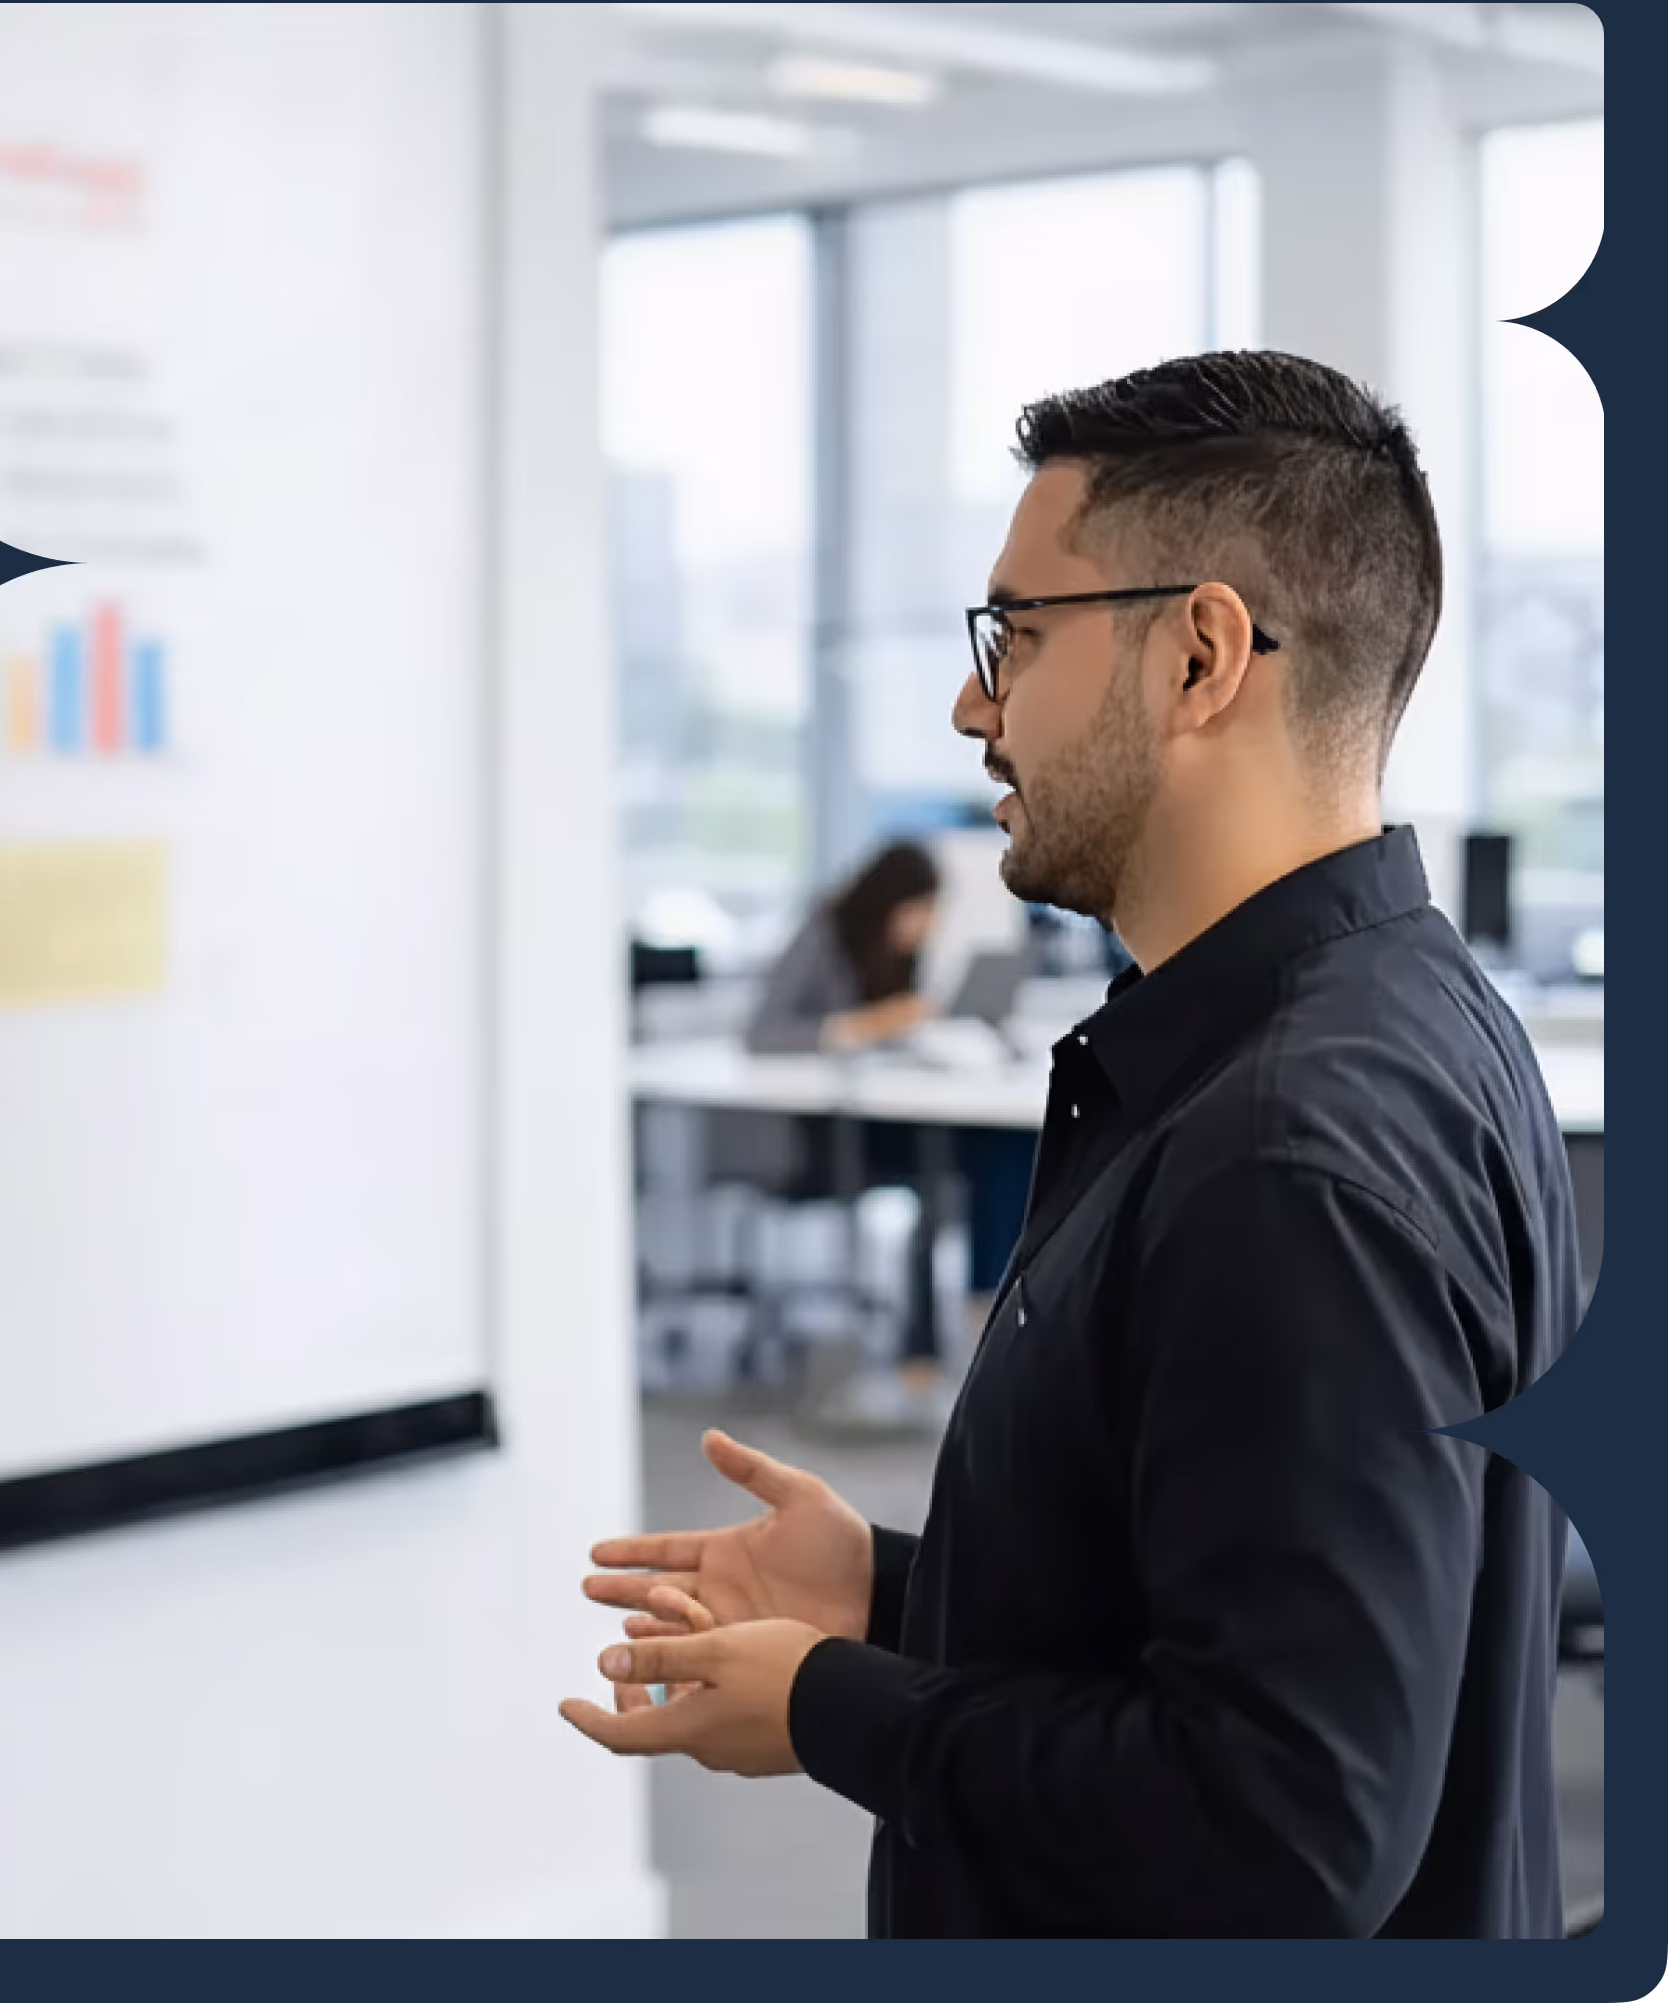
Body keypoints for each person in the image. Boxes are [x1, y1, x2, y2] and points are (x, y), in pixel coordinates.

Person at [561, 350, 1583, 1938]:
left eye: (1016, 638)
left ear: (1200, 657)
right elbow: (1245, 1622)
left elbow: (1284, 1830)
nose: (974, 704)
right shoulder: (1404, 1015)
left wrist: (840, 1707)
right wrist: (903, 1597)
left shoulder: (1283, 1153)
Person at [742, 840, 1035, 1430]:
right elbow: (763, 1032)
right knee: (934, 1167)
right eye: (917, 912)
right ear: (886, 901)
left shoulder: (904, 953)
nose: (923, 927)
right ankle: (921, 1355)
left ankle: (991, 1307)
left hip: (900, 1109)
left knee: (1009, 1145)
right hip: (834, 1129)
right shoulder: (826, 935)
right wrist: (868, 1025)